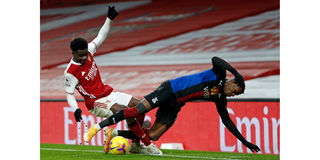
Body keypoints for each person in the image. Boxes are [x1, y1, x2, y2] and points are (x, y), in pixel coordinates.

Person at [84, 56, 261, 153]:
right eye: (234, 91)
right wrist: (237, 73)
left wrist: (244, 141)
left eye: (235, 95)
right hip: (169, 90)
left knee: (154, 135)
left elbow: (226, 120)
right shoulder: (219, 74)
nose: (232, 95)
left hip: (176, 103)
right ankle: (99, 127)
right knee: (136, 110)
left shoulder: (219, 97)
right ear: (232, 82)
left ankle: (114, 133)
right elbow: (216, 59)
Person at [63, 6, 161, 155]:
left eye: (85, 54)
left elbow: (101, 36)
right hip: (95, 102)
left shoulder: (88, 50)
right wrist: (75, 108)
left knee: (140, 107)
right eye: (80, 56)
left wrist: (109, 19)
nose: (84, 58)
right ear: (73, 53)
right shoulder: (70, 72)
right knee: (125, 112)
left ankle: (134, 145)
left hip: (108, 93)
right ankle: (148, 145)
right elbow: (69, 93)